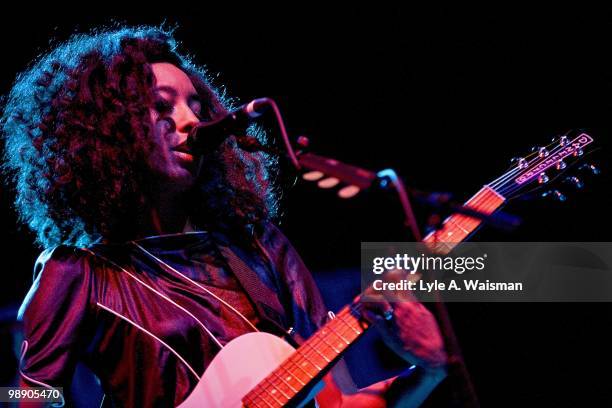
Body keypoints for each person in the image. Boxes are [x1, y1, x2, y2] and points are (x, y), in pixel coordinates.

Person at [1, 26, 447, 407]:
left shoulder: (259, 248)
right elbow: (24, 395)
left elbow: (336, 403)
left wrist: (428, 370)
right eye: (162, 106)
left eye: (196, 106)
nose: (190, 121)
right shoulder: (79, 272)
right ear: (106, 129)